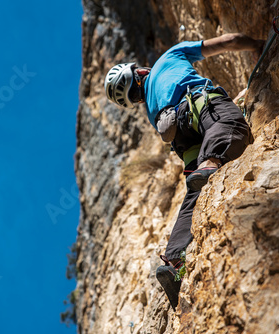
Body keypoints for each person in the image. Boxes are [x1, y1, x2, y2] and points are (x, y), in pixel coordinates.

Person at [104, 33, 264, 310]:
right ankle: (211, 163)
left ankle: (175, 260)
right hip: (198, 105)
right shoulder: (169, 57)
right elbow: (228, 42)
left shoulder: (151, 104)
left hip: (180, 136)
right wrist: (257, 44)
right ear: (139, 70)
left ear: (135, 98)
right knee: (231, 126)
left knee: (194, 192)